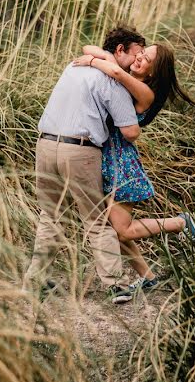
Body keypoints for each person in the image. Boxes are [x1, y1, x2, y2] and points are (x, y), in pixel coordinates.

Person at [73, 36, 195, 303]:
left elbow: (116, 70)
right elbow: (88, 48)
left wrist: (97, 61)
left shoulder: (145, 93)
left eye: (147, 58)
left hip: (122, 165)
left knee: (121, 230)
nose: (140, 58)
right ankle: (149, 276)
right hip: (105, 159)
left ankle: (179, 223)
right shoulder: (127, 83)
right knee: (111, 227)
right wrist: (102, 57)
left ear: (154, 71)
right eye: (141, 53)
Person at [23, 27, 146, 303]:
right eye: (136, 54)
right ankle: (117, 286)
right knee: (96, 219)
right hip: (79, 151)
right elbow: (131, 132)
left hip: (44, 144)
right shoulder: (114, 82)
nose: (137, 61)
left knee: (51, 215)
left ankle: (34, 280)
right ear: (119, 51)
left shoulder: (74, 66)